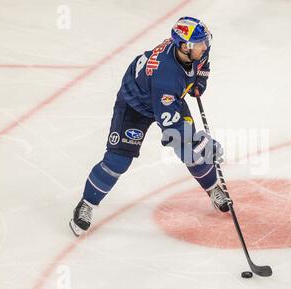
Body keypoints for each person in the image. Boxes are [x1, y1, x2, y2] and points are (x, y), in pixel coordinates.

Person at [69, 17, 232, 237]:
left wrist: (200, 81)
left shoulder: (195, 50)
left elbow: (203, 64)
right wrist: (202, 142)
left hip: (169, 99)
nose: (205, 46)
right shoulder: (166, 76)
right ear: (184, 47)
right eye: (201, 43)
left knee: (190, 153)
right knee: (118, 160)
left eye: (205, 41)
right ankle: (87, 203)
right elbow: (172, 130)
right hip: (135, 104)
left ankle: (213, 188)